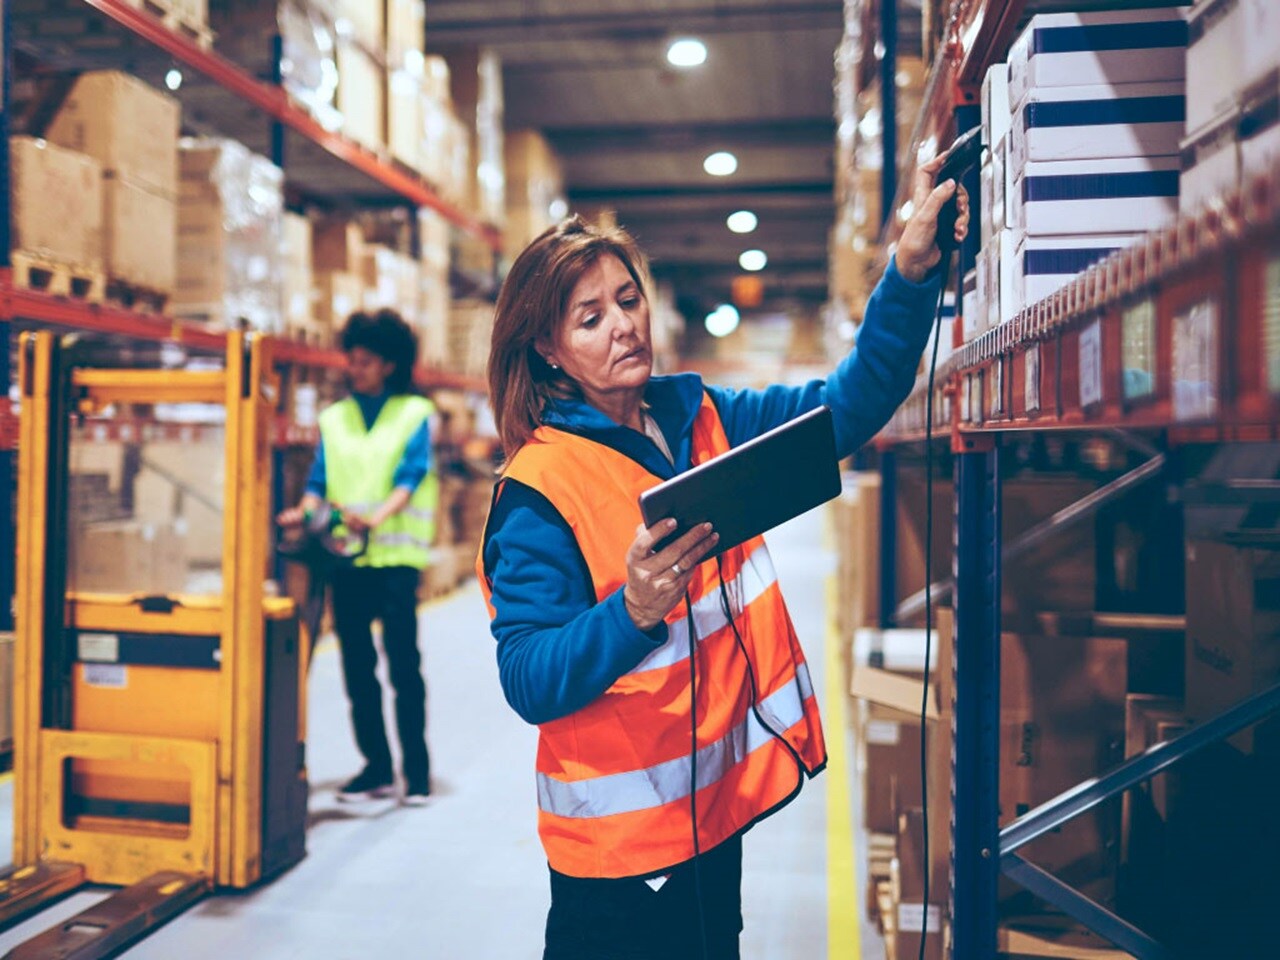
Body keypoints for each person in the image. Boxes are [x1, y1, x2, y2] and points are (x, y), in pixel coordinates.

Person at [476, 157, 968, 960]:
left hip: (709, 820)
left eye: (628, 300)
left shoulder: (699, 415)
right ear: (549, 350)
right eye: (589, 318)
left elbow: (845, 410)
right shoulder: (539, 490)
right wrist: (631, 612)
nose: (624, 325)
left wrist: (908, 276)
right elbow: (527, 677)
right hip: (622, 859)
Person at [278, 308, 438, 806]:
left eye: (365, 361)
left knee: (403, 667)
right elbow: (319, 482)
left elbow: (411, 476)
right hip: (344, 560)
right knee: (356, 667)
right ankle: (376, 768)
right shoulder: (335, 418)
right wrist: (301, 514)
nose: (355, 368)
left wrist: (378, 516)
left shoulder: (414, 414)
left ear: (389, 363)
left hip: (395, 561)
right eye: (352, 359)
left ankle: (417, 774)